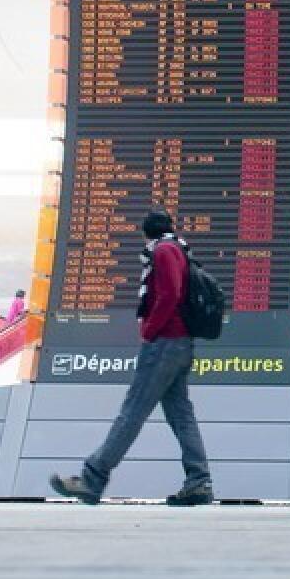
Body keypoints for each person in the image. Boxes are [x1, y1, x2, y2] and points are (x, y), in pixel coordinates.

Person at [49, 209, 212, 506]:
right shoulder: (178, 248)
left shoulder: (163, 251)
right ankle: (199, 481)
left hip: (164, 344)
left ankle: (92, 477)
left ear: (145, 234)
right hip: (180, 343)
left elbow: (170, 294)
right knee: (181, 416)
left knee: (133, 411)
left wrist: (149, 330)